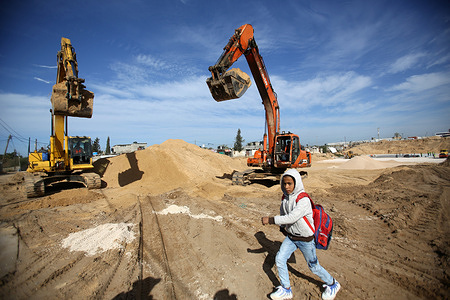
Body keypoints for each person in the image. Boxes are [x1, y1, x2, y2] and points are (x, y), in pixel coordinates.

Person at [261, 168, 341, 300]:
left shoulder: (303, 200)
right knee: (280, 259)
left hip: (305, 239)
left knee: (313, 266)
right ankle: (286, 289)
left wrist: (270, 220)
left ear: (296, 183)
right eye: (284, 183)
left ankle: (332, 284)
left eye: (289, 184)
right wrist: (283, 227)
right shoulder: (285, 199)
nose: (286, 187)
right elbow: (284, 215)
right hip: (292, 237)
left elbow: (292, 217)